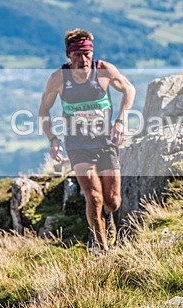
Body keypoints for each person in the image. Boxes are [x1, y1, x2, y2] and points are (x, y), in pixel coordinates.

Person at [38, 28, 135, 252]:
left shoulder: (103, 71)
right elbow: (43, 109)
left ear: (92, 52)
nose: (83, 60)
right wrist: (53, 139)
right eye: (77, 55)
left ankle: (108, 218)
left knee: (113, 201)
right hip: (77, 144)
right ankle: (102, 249)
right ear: (68, 56)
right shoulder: (58, 78)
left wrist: (121, 121)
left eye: (86, 54)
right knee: (94, 197)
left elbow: (129, 89)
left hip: (106, 142)